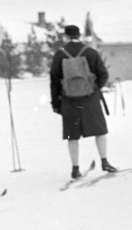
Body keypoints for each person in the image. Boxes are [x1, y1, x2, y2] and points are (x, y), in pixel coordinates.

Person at [49, 24, 116, 179]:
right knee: (99, 130)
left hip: (69, 99)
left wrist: (56, 103)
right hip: (90, 98)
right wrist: (94, 88)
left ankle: (75, 168)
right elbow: (103, 74)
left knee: (72, 135)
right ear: (79, 35)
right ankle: (105, 161)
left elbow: (54, 81)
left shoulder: (59, 55)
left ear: (65, 36)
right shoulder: (91, 52)